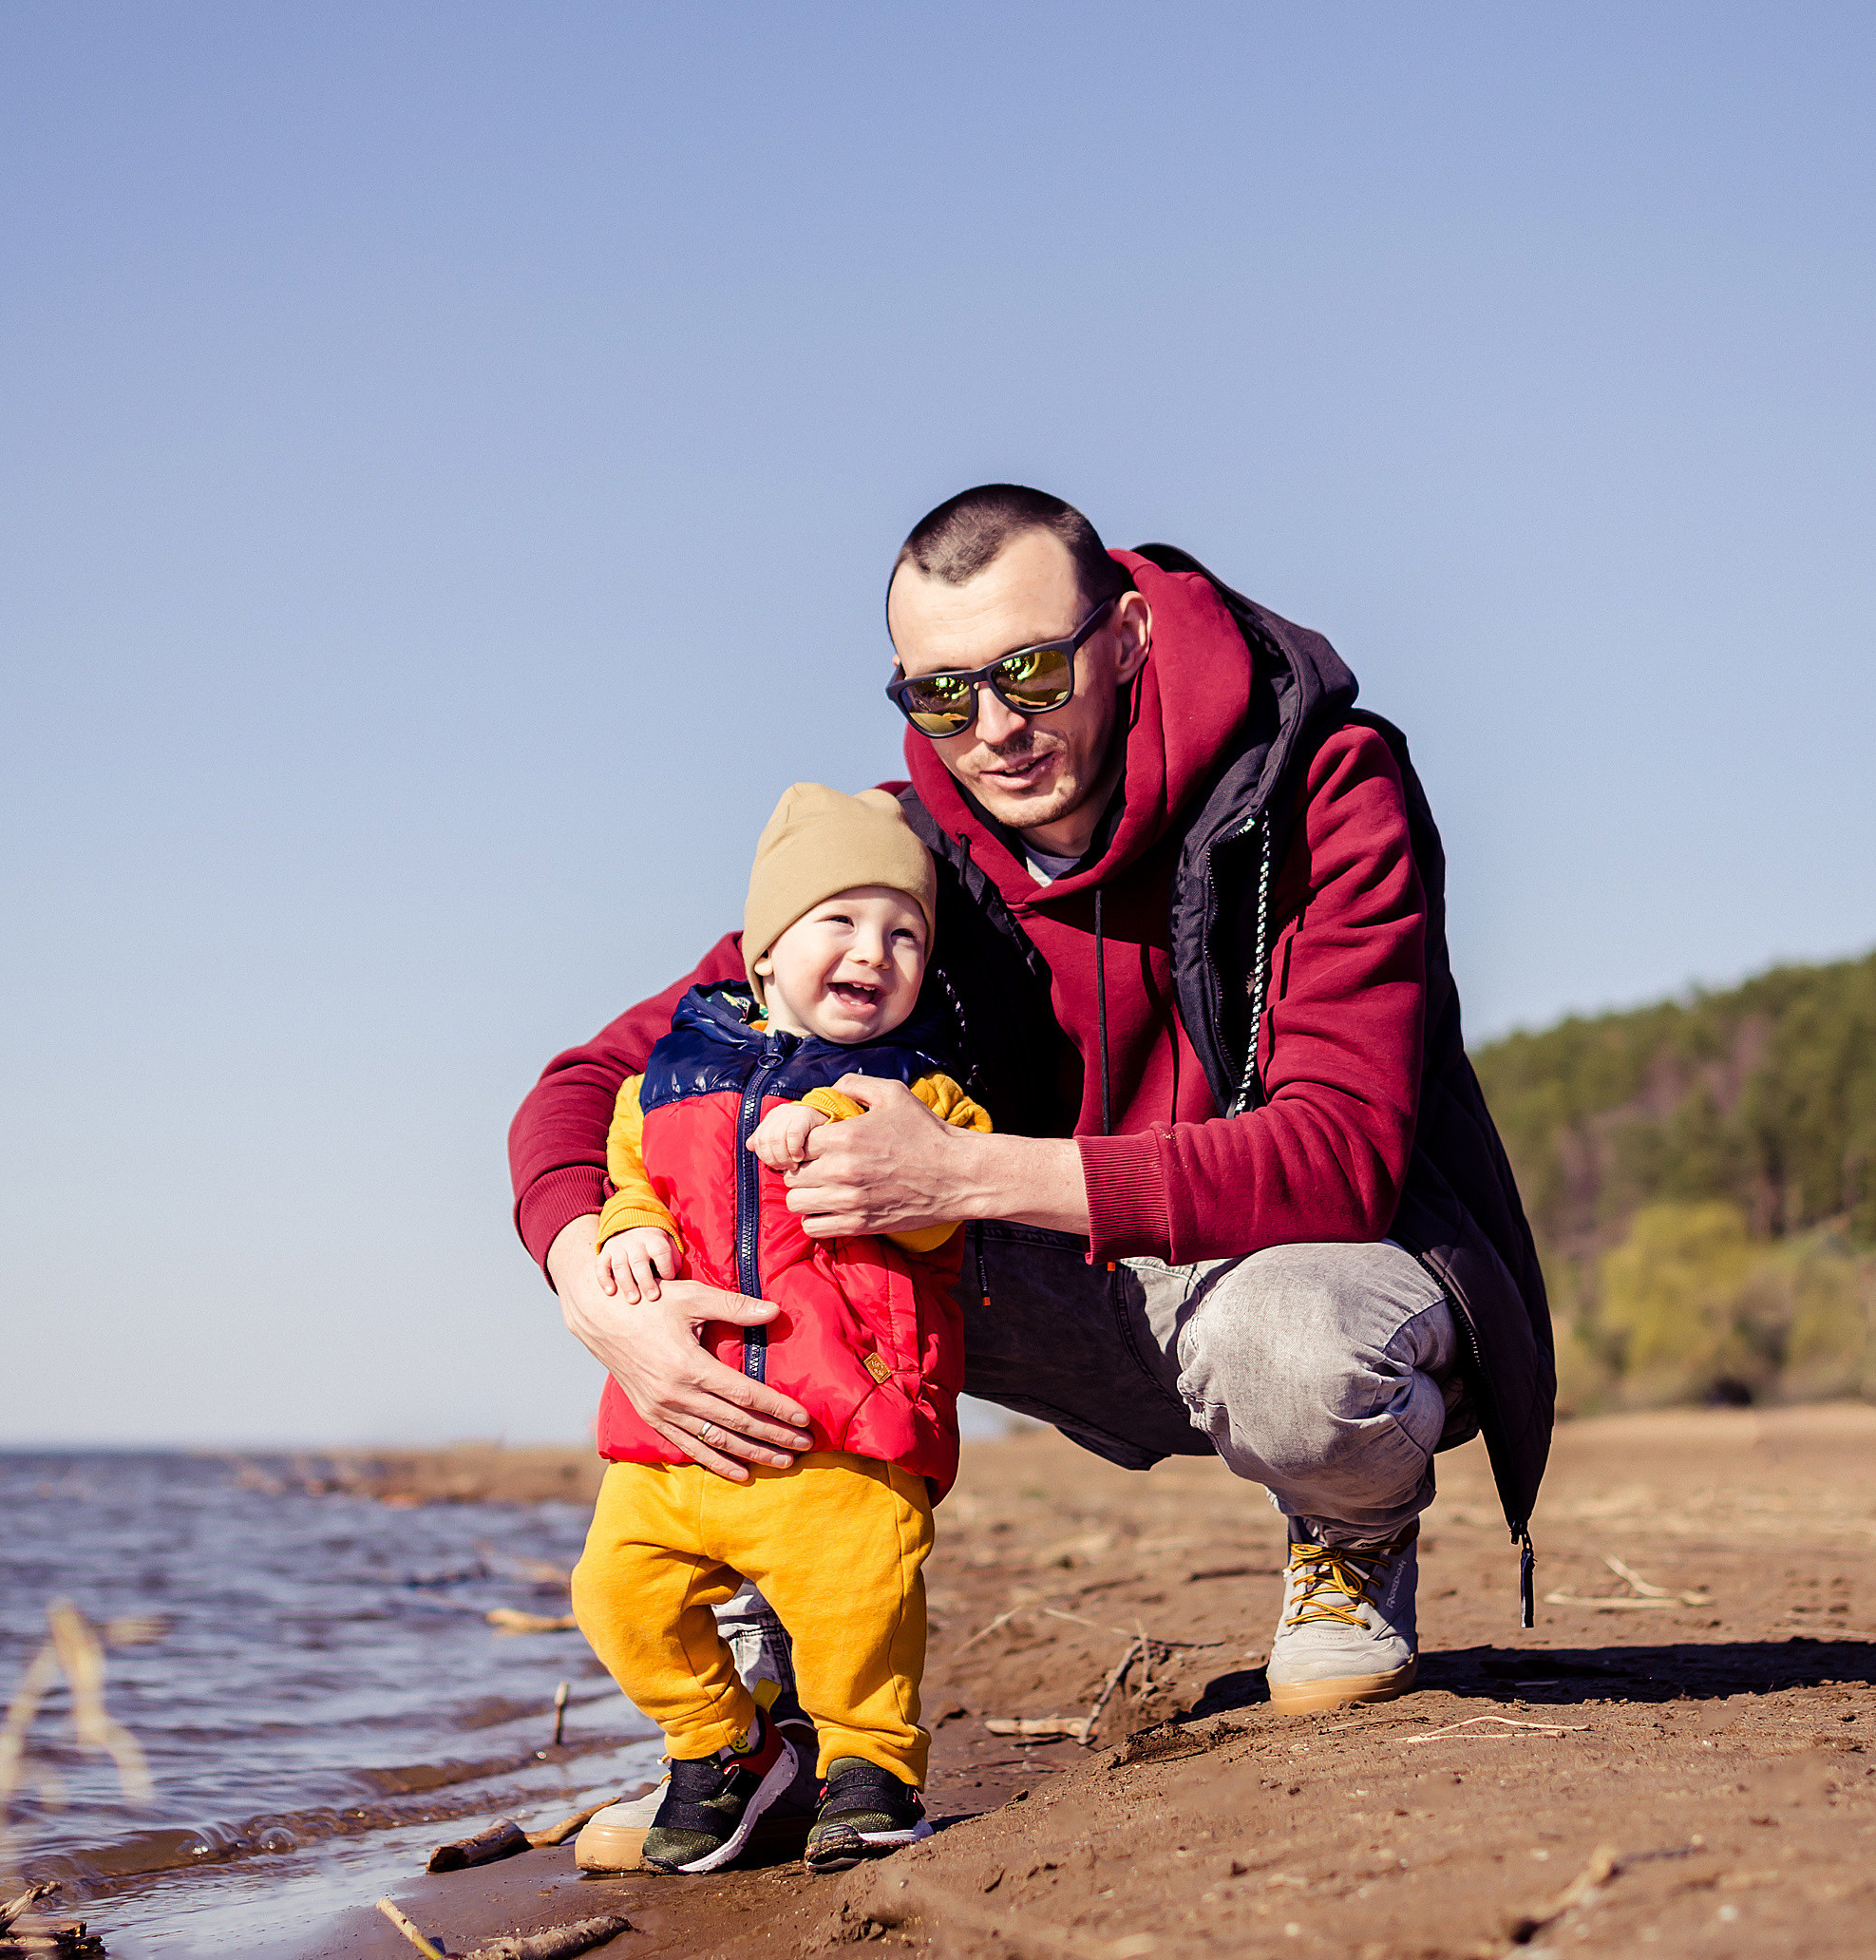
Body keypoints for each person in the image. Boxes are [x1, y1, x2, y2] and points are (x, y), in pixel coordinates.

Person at [514, 485, 1554, 1723]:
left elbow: (1336, 1160)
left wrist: (957, 1177)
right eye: (941, 694)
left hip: (1289, 1279)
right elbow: (589, 1087)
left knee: (1290, 1352)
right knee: (734, 1169)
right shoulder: (898, 860)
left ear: (1124, 639)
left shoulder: (1320, 785)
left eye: (1030, 672)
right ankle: (764, 1667)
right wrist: (600, 1289)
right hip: (1052, 1291)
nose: (994, 727)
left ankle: (1350, 1537)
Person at [567, 780, 991, 1874]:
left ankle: (868, 1764)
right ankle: (723, 1747)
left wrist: (847, 1120)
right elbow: (631, 1176)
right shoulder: (663, 1079)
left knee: (858, 1602)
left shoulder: (923, 1087)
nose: (875, 950)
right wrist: (625, 1232)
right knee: (616, 1592)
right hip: (681, 1431)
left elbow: (947, 1200)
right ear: (762, 953)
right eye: (839, 922)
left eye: (904, 932)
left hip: (840, 1421)